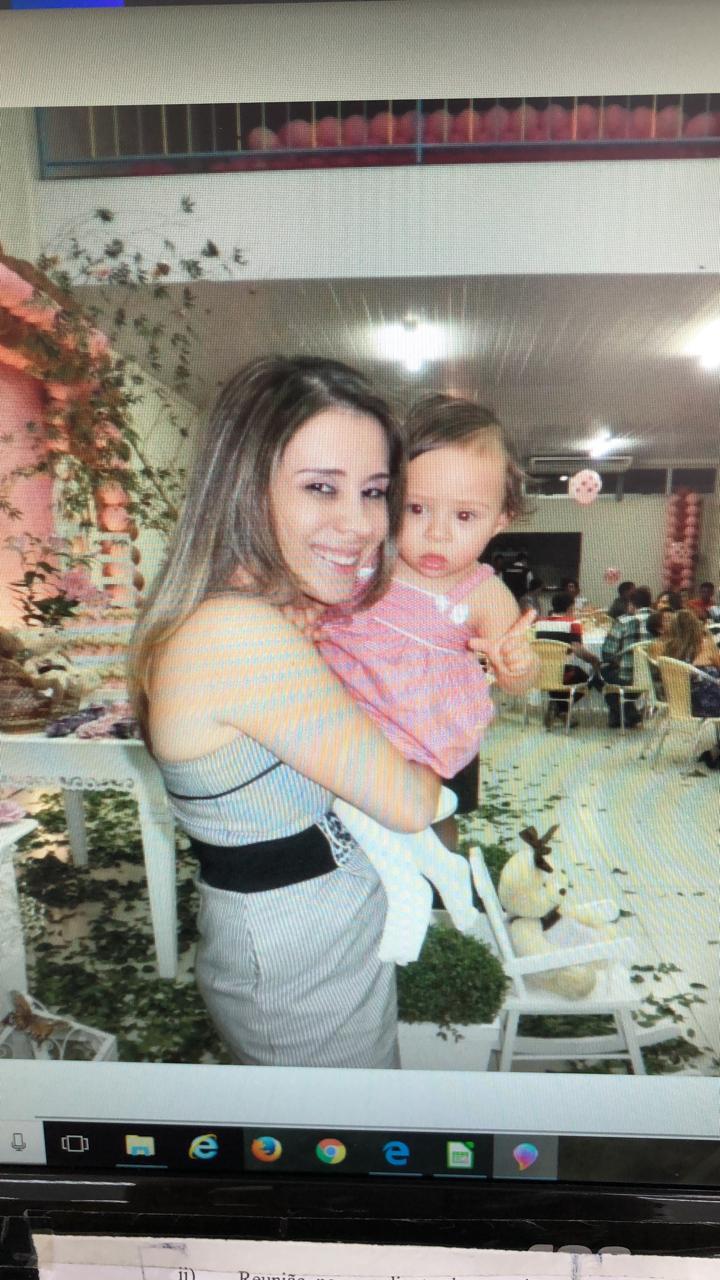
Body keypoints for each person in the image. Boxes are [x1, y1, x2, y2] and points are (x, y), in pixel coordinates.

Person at [128, 356, 443, 1070]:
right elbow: (412, 801)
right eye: (320, 487)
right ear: (245, 488)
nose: (360, 524)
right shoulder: (235, 633)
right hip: (297, 971)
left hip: (316, 943)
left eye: (373, 492)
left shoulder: (262, 617)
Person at [317, 393, 538, 959]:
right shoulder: (371, 562)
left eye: (464, 517)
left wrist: (516, 664)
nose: (437, 534)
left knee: (358, 798)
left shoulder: (481, 591)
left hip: (419, 724)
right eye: (417, 509)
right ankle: (435, 870)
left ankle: (413, 889)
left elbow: (519, 669)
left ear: (501, 519)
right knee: (350, 799)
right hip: (354, 708)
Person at [659, 609, 720, 768]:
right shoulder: (705, 646)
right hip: (710, 704)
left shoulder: (669, 651)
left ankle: (715, 751)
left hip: (685, 705)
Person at [535, 589, 603, 725]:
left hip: (541, 672)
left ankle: (558, 707)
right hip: (563, 673)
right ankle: (561, 708)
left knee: (562, 676)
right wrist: (594, 660)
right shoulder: (573, 623)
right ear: (570, 607)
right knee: (590, 677)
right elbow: (578, 650)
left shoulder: (540, 624)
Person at [600, 585, 654, 727]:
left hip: (627, 676)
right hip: (654, 676)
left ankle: (625, 712)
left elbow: (607, 653)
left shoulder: (623, 621)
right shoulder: (659, 620)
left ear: (632, 604)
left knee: (598, 675)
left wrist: (617, 660)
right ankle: (623, 714)